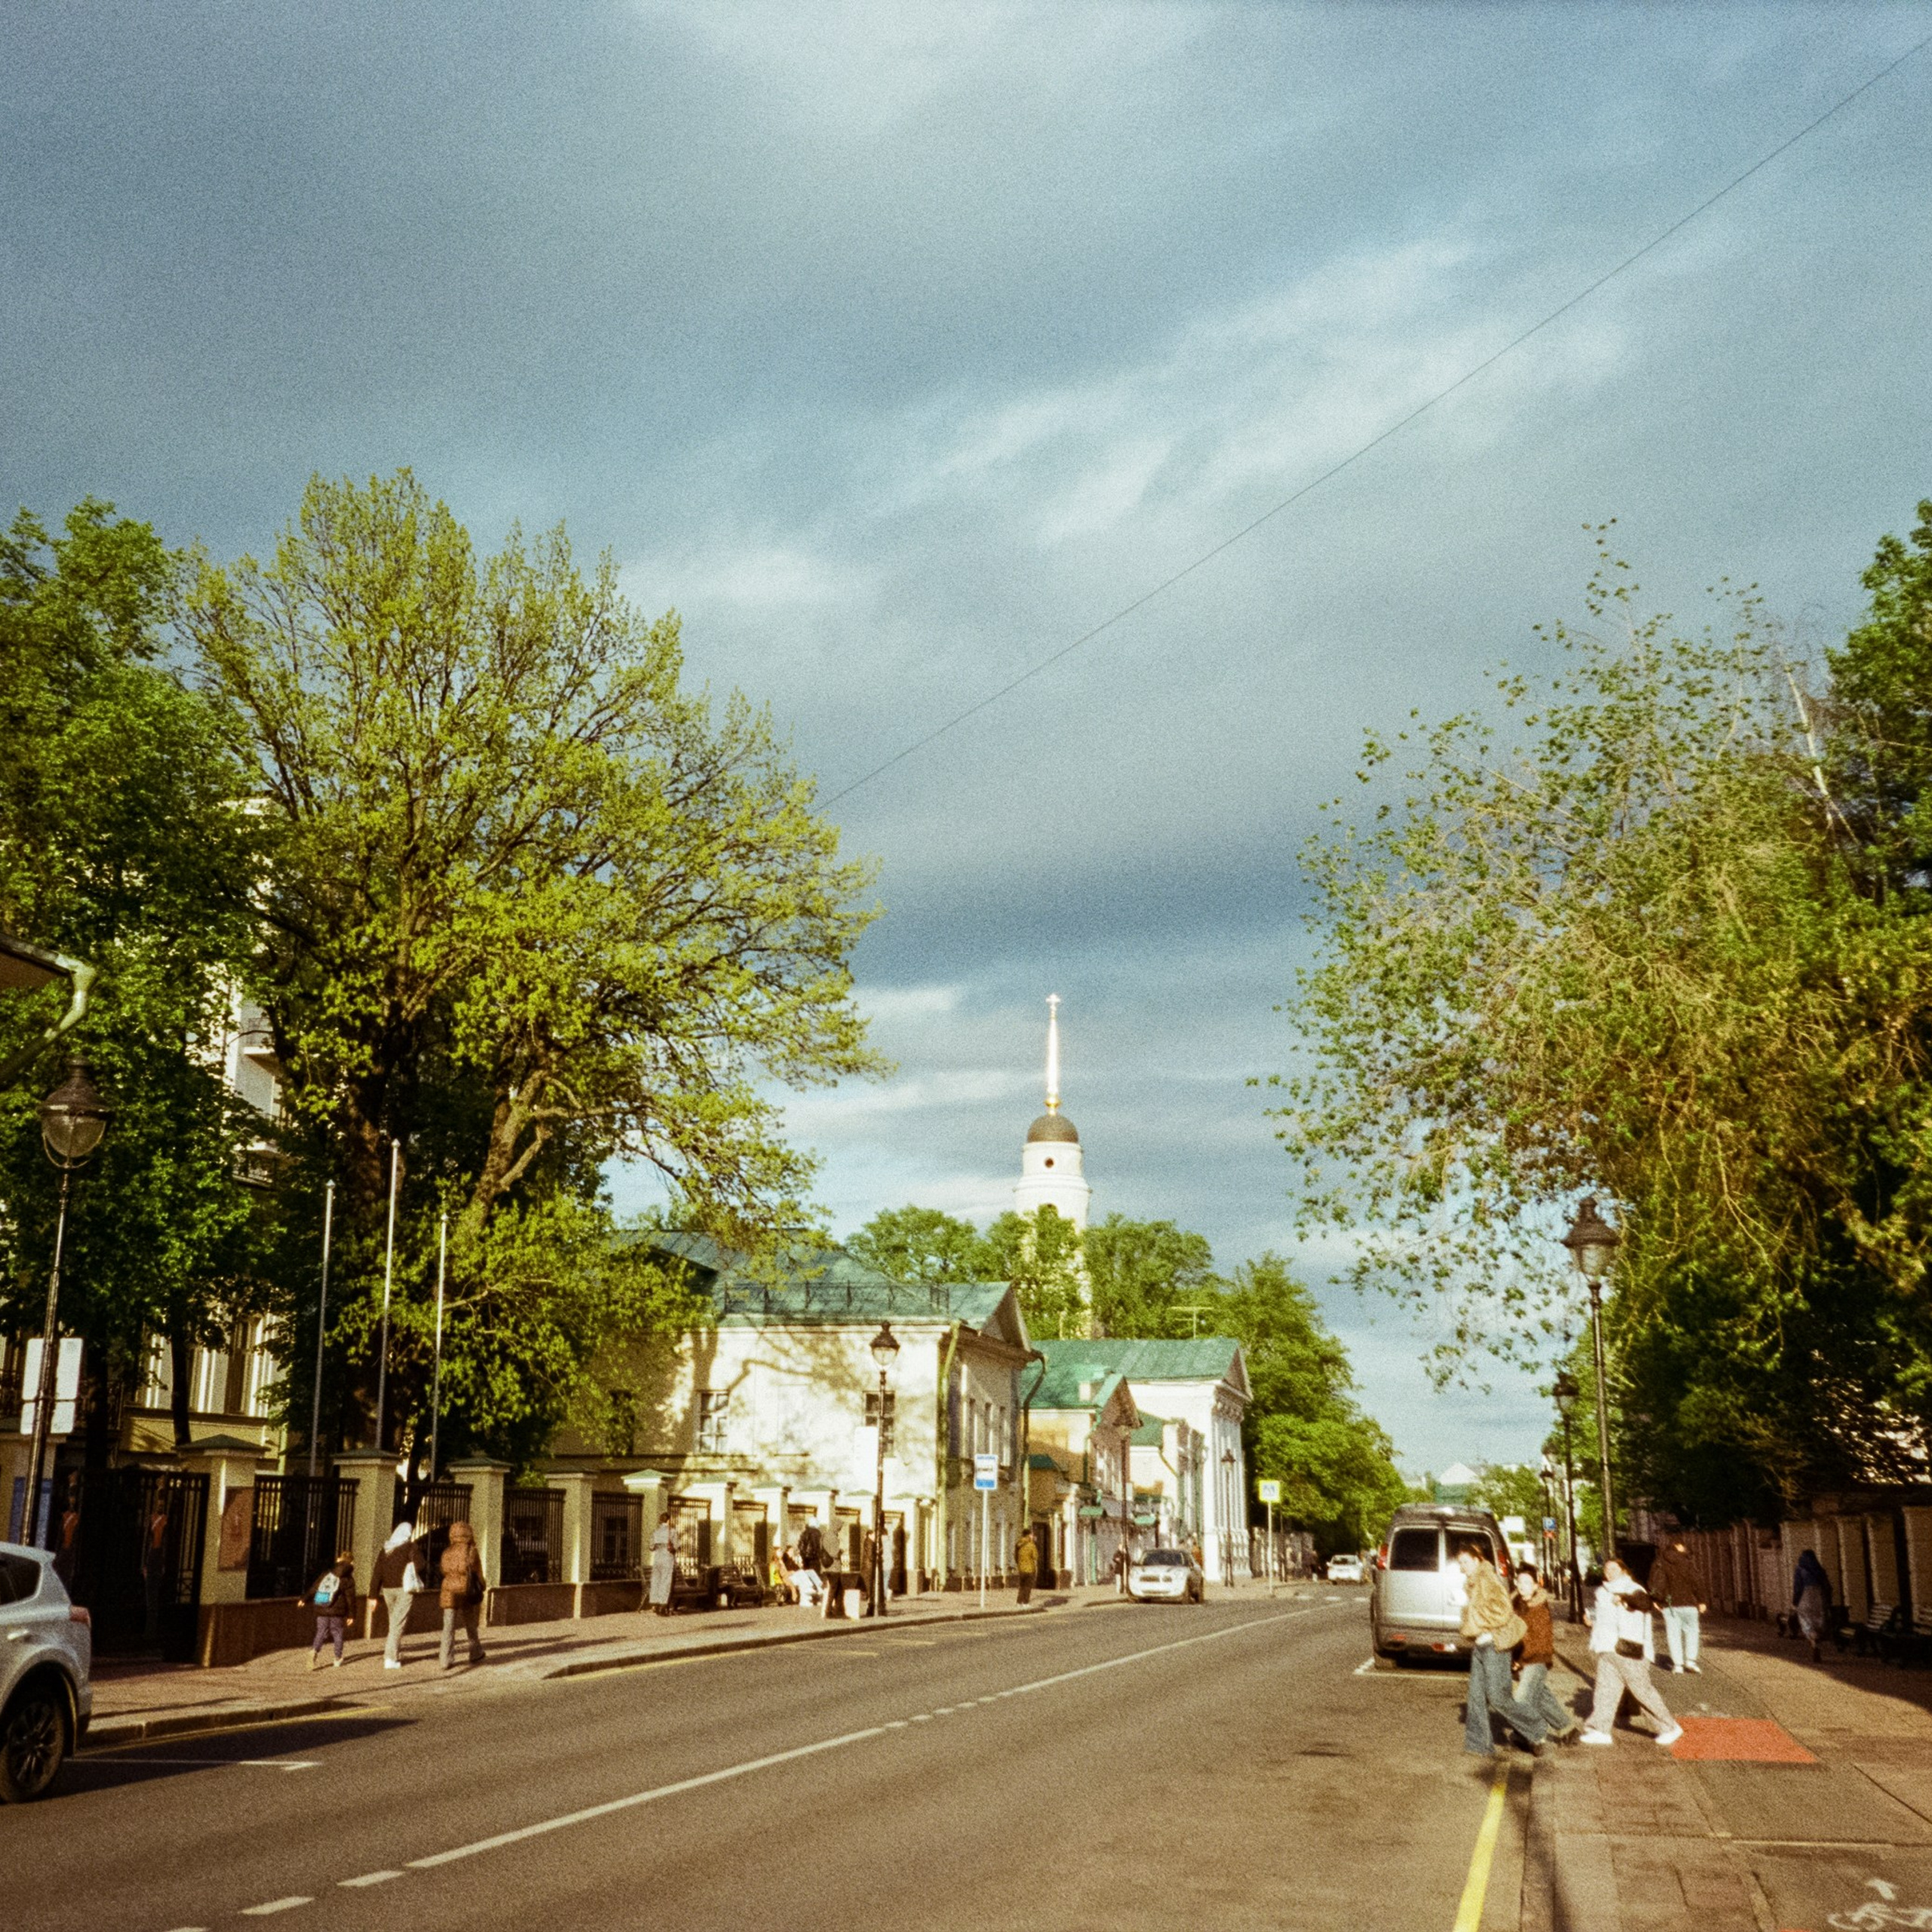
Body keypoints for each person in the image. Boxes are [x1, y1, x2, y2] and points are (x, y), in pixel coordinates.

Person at [1454, 1542, 1547, 1758]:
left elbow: (1502, 1611)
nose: (1462, 1567)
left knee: (1498, 1698)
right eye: (1460, 1563)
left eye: (1465, 1562)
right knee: (1476, 1697)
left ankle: (1536, 1728)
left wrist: (1470, 1609)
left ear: (1478, 1560)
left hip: (1495, 1645)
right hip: (1481, 1644)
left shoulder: (1487, 1578)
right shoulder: (1472, 1582)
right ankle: (1479, 1744)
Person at [1580, 1557, 1681, 1747]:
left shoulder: (1633, 1588)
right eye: (1607, 1569)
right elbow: (1607, 1619)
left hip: (1630, 1650)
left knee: (1642, 1692)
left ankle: (1670, 1727)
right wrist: (1591, 1622)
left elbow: (1644, 1603)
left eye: (1614, 1569)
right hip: (1607, 1648)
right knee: (1605, 1691)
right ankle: (1599, 1730)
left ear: (1624, 1571)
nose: (1609, 1572)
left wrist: (1624, 1597)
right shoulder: (1602, 1592)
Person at [1512, 1562, 1580, 1743]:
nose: (1521, 1586)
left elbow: (1540, 1643)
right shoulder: (1515, 1604)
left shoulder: (1539, 1608)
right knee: (1541, 1696)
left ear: (1535, 1586)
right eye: (1519, 1581)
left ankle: (1532, 1734)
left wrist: (1519, 1659)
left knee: (1521, 1698)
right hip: (1521, 1659)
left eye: (1527, 1582)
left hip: (1537, 1659)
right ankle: (1568, 1729)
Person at [1648, 1537, 1707, 1673]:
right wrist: (1702, 1600)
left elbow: (1655, 1583)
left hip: (1669, 1605)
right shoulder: (1687, 1562)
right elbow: (1697, 1582)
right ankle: (1690, 1661)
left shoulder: (1660, 1563)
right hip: (1689, 1603)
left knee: (1673, 1634)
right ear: (1682, 1548)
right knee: (1692, 1631)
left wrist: (1656, 1600)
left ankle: (1678, 1665)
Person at [372, 1520, 423, 1670]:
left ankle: (394, 1652)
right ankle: (390, 1658)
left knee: (394, 1621)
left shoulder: (386, 1549)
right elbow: (421, 1565)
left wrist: (373, 1596)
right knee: (398, 1623)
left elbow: (377, 1573)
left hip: (387, 1590)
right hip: (404, 1589)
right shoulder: (410, 1547)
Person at [438, 1519, 487, 1669]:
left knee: (448, 1625)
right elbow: (477, 1572)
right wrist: (482, 1586)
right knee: (470, 1623)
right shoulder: (471, 1551)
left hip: (448, 1590)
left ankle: (445, 1660)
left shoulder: (447, 1552)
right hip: (466, 1589)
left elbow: (442, 1570)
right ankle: (475, 1652)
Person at [306, 1549, 356, 1669]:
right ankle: (337, 1659)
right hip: (337, 1612)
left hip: (322, 1606)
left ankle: (314, 1651)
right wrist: (351, 1615)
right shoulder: (348, 1578)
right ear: (351, 1563)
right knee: (337, 1633)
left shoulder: (328, 1573)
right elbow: (350, 1599)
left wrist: (305, 1598)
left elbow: (315, 1587)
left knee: (321, 1631)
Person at [1793, 1548, 1831, 1661]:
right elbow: (1827, 1585)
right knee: (1818, 1618)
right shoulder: (1819, 1570)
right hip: (1819, 1596)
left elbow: (1797, 1587)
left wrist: (1795, 1600)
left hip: (1806, 1596)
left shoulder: (1800, 1569)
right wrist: (1828, 1600)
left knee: (1806, 1618)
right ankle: (1816, 1640)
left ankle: (1812, 1638)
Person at [648, 1515, 677, 1617]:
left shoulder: (655, 1531)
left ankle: (654, 1604)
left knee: (656, 1581)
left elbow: (651, 1547)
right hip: (667, 1559)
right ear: (668, 1520)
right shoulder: (672, 1531)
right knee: (665, 1582)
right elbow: (677, 1546)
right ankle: (662, 1607)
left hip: (657, 1558)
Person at [1016, 1528, 1039, 1606]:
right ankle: (1026, 1603)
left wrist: (1019, 1564)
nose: (1033, 1536)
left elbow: (1015, 1556)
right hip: (1030, 1569)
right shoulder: (1031, 1545)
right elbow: (1035, 1557)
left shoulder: (1018, 1544)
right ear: (1028, 1535)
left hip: (1021, 1568)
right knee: (1028, 1587)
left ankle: (1019, 1602)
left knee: (1021, 1586)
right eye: (1031, 1535)